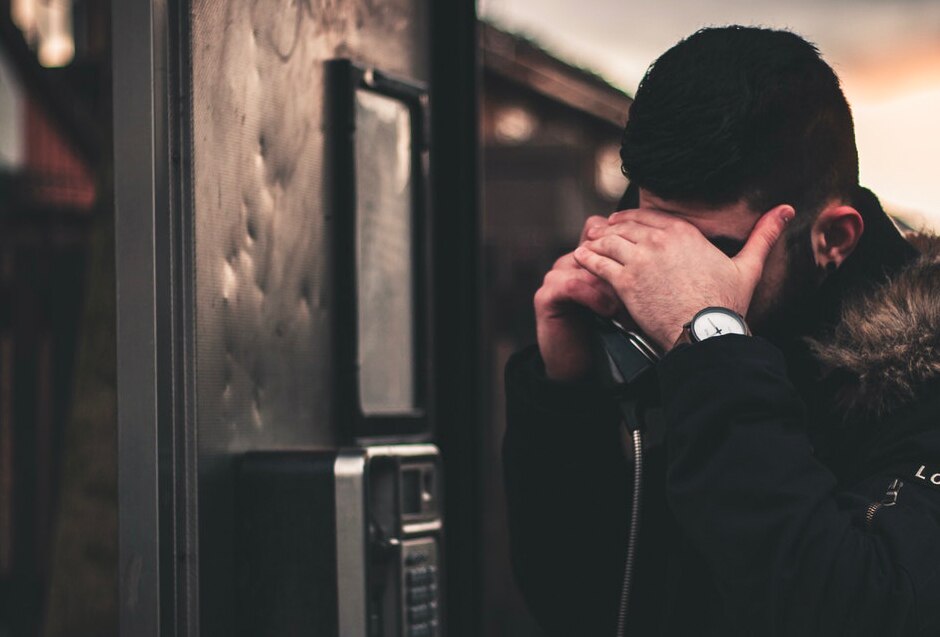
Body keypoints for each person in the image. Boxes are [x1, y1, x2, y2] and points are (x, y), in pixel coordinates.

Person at [502, 26, 940, 636]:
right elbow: (591, 605)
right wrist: (567, 397)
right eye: (660, 240)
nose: (677, 279)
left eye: (715, 250)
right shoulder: (679, 355)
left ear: (833, 240)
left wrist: (714, 343)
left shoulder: (921, 380)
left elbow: (857, 611)